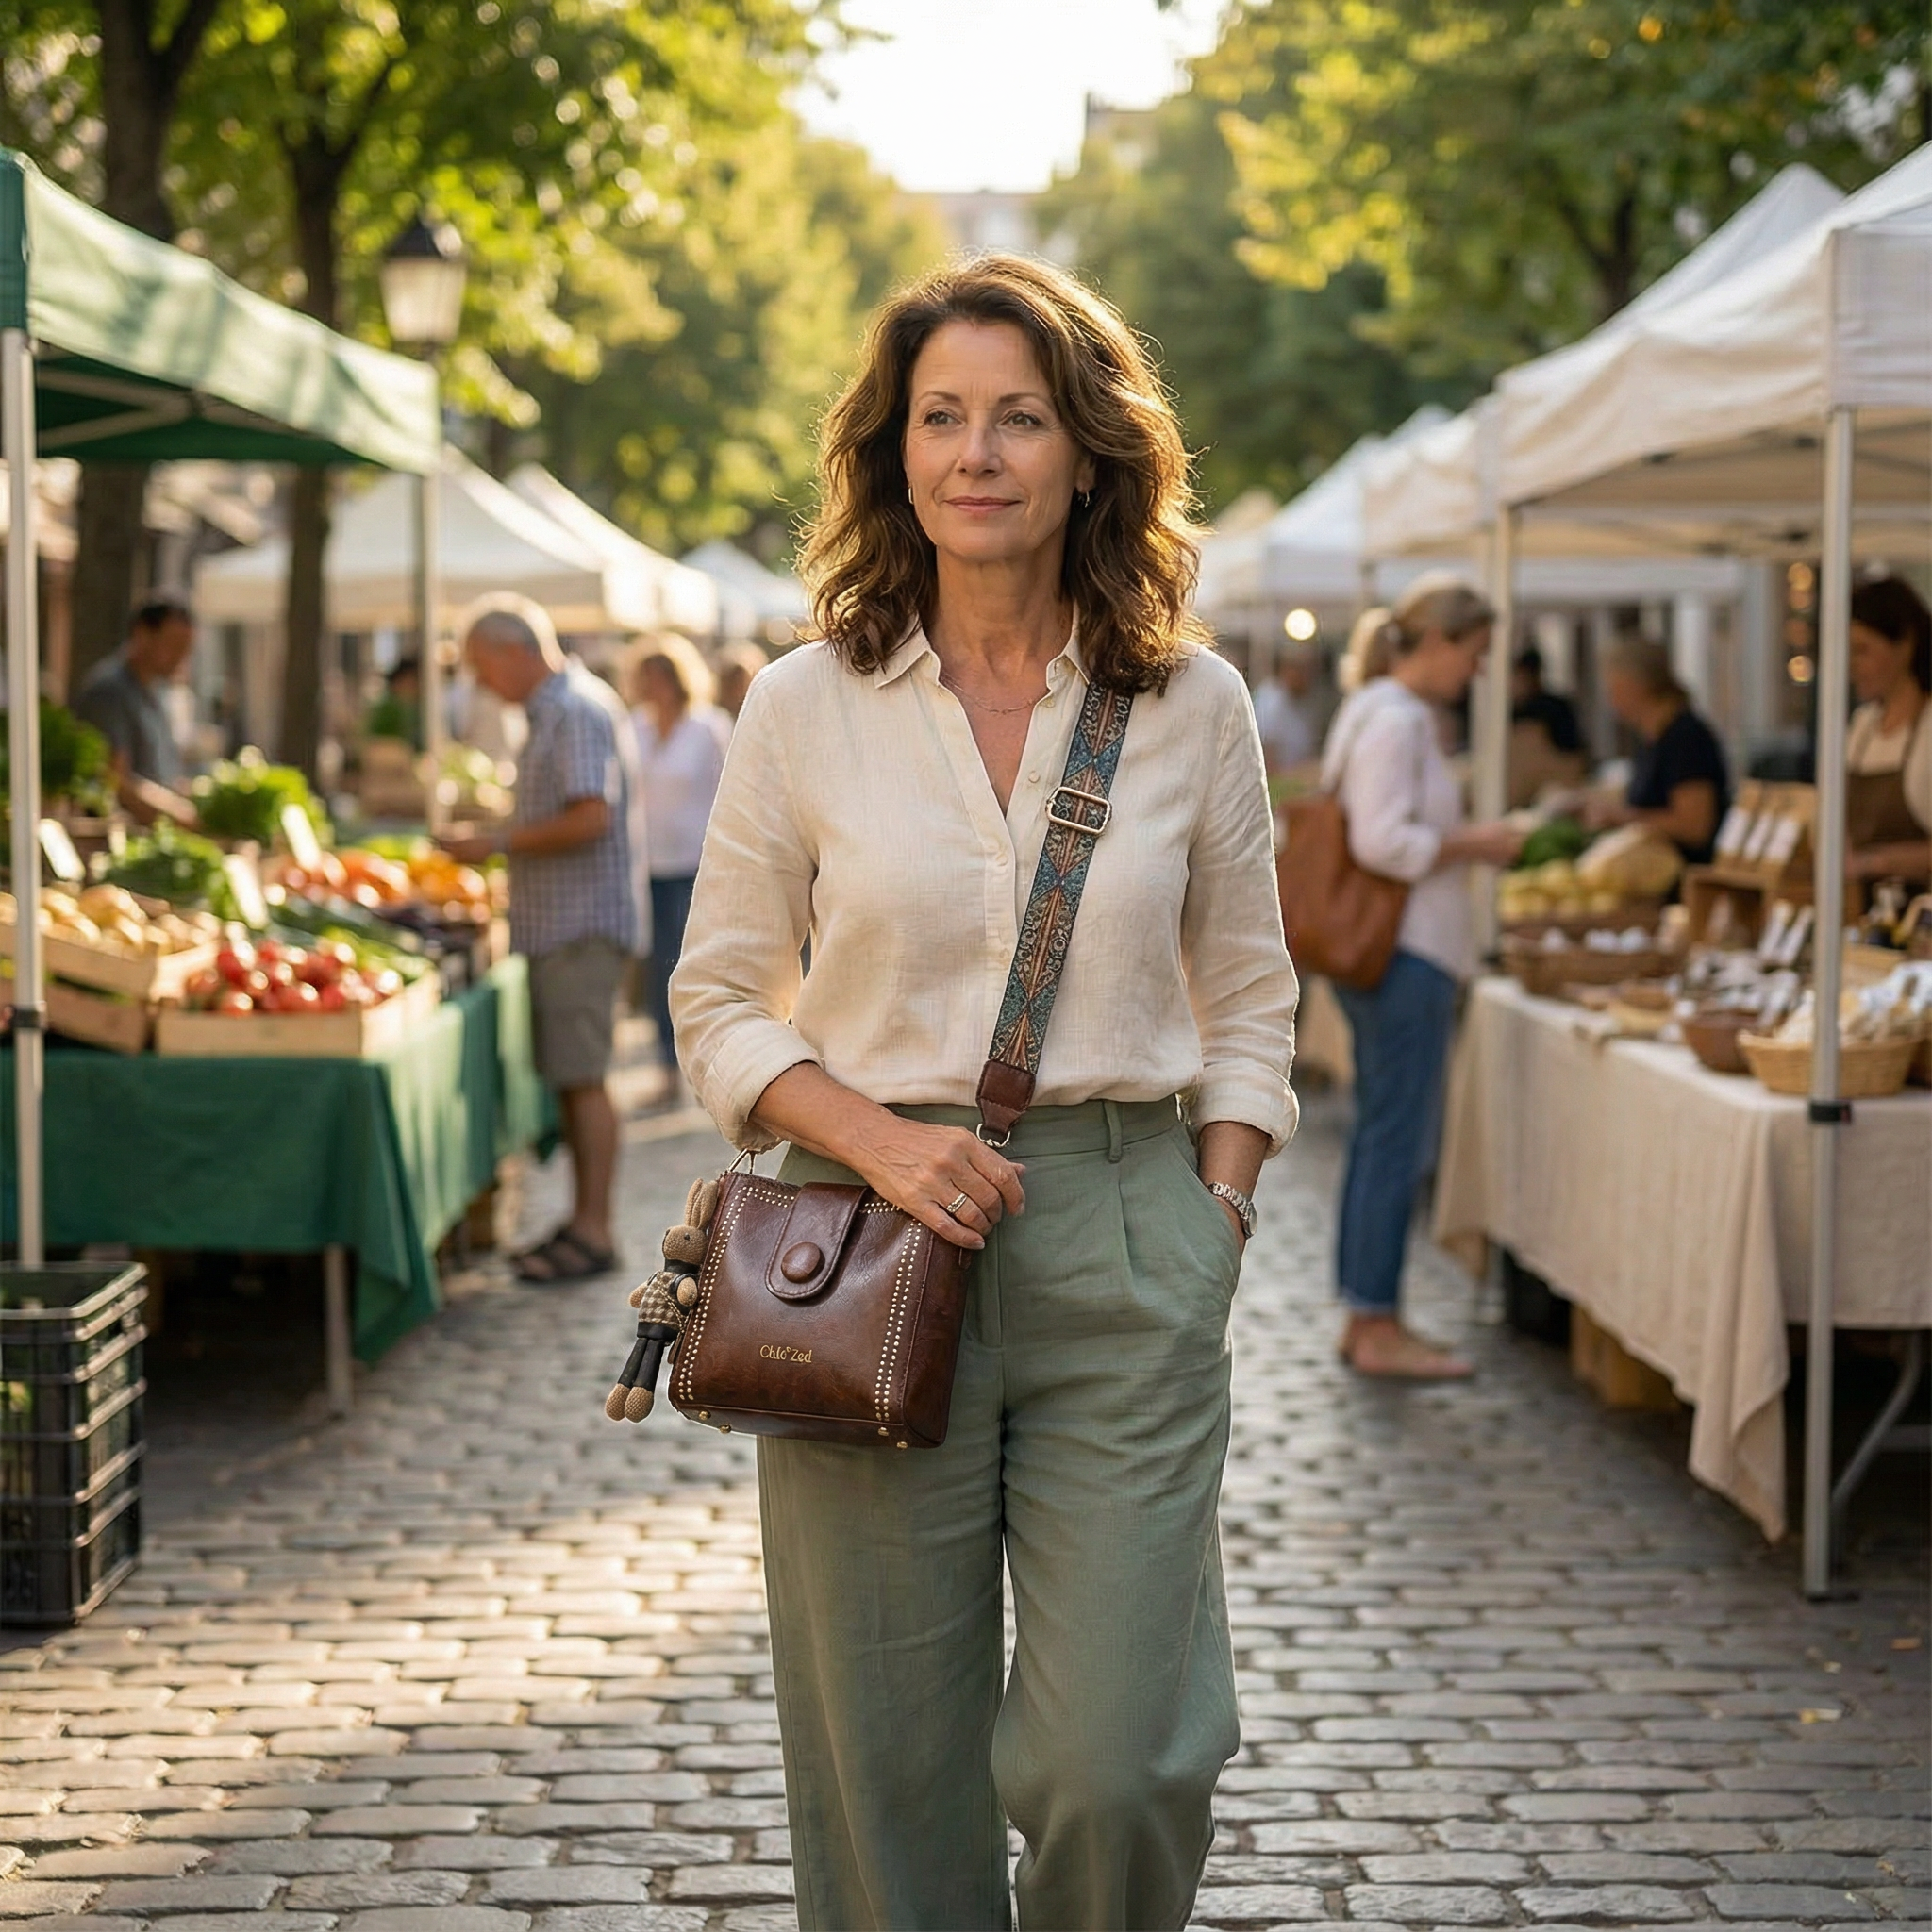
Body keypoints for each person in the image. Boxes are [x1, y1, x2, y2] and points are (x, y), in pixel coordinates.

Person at [672, 254, 1297, 1931]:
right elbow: (720, 1000)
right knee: (887, 1771)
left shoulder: (1190, 702)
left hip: (1122, 1235)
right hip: (862, 1254)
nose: (976, 452)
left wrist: (1209, 1211)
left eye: (1019, 417)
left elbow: (1248, 997)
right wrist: (877, 1140)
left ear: (1089, 452)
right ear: (892, 456)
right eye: (939, 418)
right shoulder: (805, 704)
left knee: (1123, 1760)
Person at [1323, 576, 1524, 1381]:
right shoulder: (1397, 717)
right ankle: (1374, 1320)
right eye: (1473, 656)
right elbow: (1383, 841)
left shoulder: (1378, 709)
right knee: (1395, 1139)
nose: (1476, 674)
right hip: (1405, 952)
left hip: (1398, 950)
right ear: (1437, 643)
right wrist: (1475, 843)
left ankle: (1368, 1310)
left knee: (1383, 1135)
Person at [442, 595, 641, 1284]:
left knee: (585, 1081)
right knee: (574, 1079)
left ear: (511, 652)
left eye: (479, 667)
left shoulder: (574, 710)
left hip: (580, 926)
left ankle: (594, 1230)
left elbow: (590, 816)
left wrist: (497, 840)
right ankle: (583, 1222)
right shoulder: (558, 709)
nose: (480, 683)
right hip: (565, 925)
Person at [628, 634, 728, 1087]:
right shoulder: (636, 728)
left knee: (692, 964)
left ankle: (703, 1062)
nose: (653, 686)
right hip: (647, 862)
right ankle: (666, 1065)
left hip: (694, 864)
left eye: (660, 676)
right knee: (656, 966)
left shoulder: (708, 728)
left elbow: (730, 796)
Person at [1590, 635, 1730, 864]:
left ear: (1635, 686)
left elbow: (1695, 826)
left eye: (1613, 687)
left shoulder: (1685, 739)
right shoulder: (1651, 738)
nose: (1610, 699)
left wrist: (1623, 818)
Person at [73, 593, 200, 825]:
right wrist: (180, 817)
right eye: (174, 645)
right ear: (142, 634)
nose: (181, 657)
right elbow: (116, 779)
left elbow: (164, 776)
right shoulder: (109, 692)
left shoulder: (157, 693)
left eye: (186, 648)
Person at [1845, 575, 1931, 893]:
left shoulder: (1927, 728)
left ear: (1905, 645)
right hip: (1858, 914)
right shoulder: (1862, 727)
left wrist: (1876, 863)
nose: (1851, 666)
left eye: (1862, 650)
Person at [1251, 641, 1318, 774]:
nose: (1308, 677)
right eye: (1303, 670)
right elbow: (1266, 759)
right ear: (1287, 668)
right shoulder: (1270, 700)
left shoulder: (1300, 702)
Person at [711, 640, 769, 723]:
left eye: (741, 680)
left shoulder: (764, 717)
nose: (736, 689)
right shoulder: (711, 721)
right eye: (731, 680)